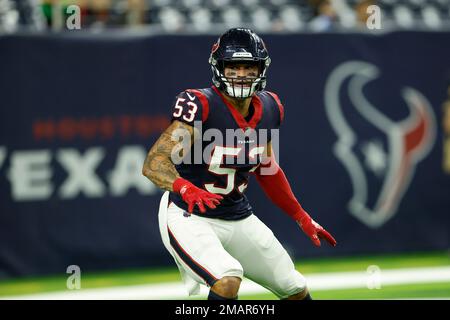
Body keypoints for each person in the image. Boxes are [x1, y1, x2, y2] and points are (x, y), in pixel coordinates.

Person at [142, 28, 336, 300]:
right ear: (219, 68)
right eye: (233, 67)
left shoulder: (271, 107)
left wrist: (300, 216)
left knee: (294, 288)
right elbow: (154, 163)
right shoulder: (200, 105)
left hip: (237, 213)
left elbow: (267, 169)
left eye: (249, 67)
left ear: (261, 69)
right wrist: (186, 188)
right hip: (188, 214)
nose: (242, 74)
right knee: (227, 278)